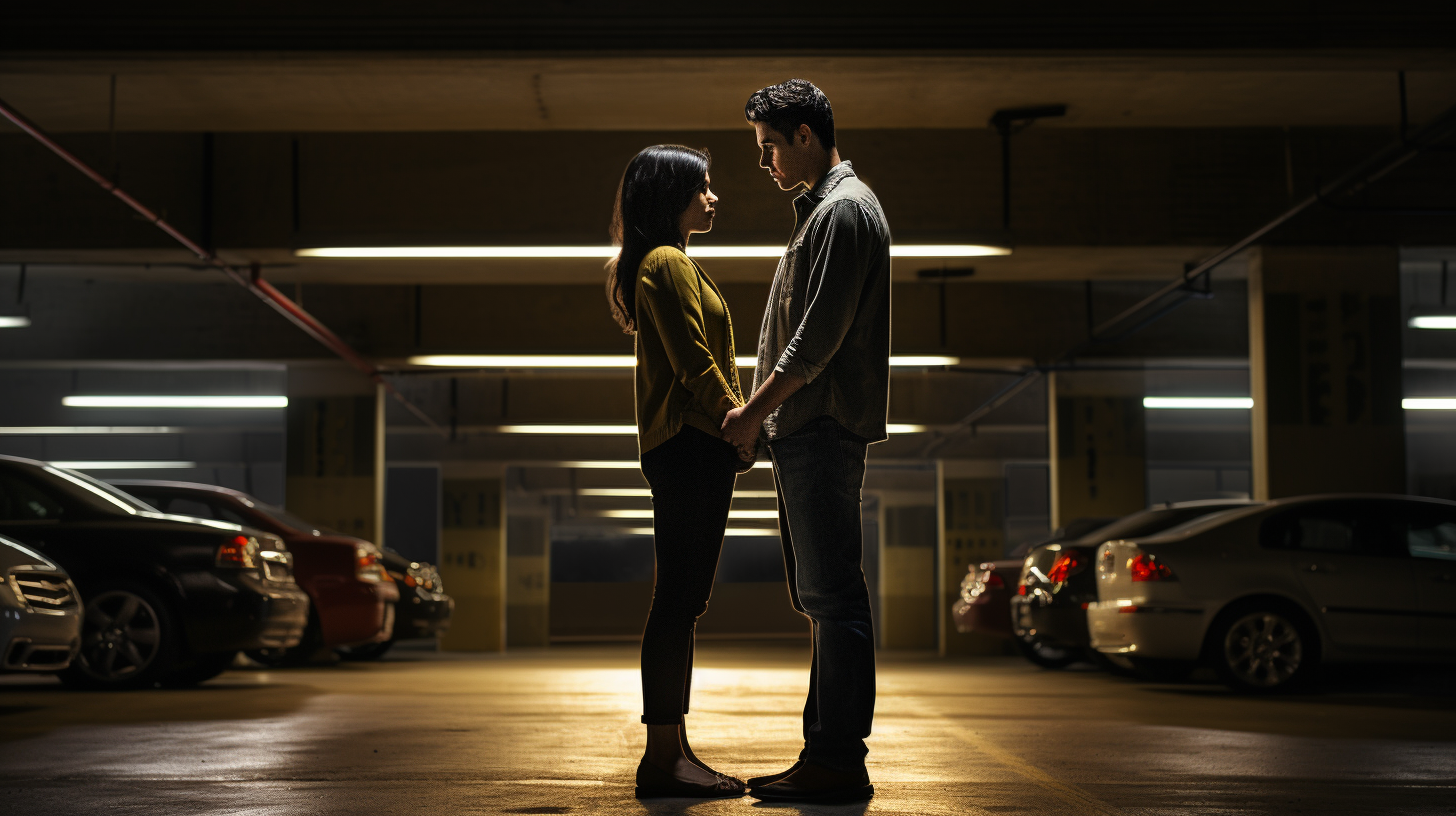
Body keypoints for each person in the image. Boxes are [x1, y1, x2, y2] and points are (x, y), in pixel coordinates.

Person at [720, 78, 891, 804]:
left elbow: (815, 340)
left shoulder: (844, 212)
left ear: (804, 135)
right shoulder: (821, 213)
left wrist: (752, 412)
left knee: (835, 597)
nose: (765, 163)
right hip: (808, 428)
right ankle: (822, 752)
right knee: (822, 597)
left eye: (769, 147)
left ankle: (838, 760)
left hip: (819, 424)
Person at [605, 144, 753, 800]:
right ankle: (663, 758)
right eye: (704, 188)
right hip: (691, 443)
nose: (714, 198)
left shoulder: (672, 263)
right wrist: (736, 418)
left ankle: (672, 749)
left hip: (694, 445)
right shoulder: (665, 262)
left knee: (682, 601)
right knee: (678, 603)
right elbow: (694, 357)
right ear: (673, 196)